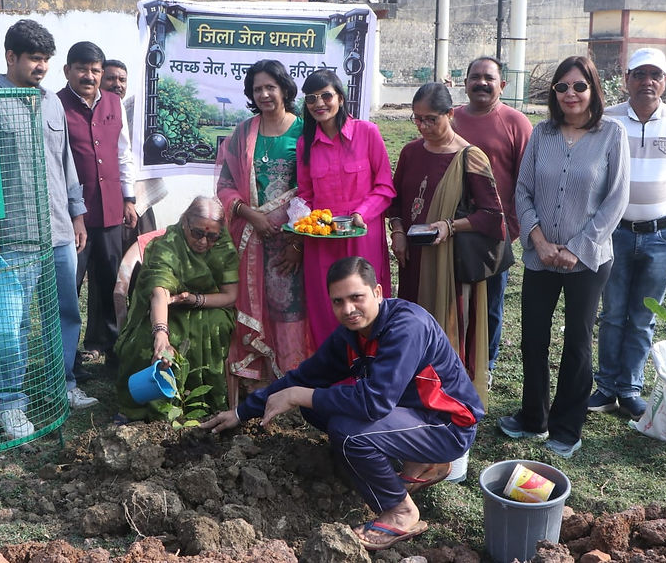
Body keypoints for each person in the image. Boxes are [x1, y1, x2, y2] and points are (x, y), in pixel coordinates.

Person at [200, 256, 484, 552]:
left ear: (377, 292)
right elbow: (304, 377)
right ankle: (419, 463)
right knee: (317, 407)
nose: (348, 309)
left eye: (356, 297)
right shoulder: (351, 335)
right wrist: (240, 412)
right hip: (411, 415)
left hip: (447, 425)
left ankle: (400, 511)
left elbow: (374, 403)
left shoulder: (407, 327)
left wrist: (299, 395)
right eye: (338, 301)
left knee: (348, 433)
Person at [499, 55, 630, 458]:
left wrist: (577, 248)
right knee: (533, 338)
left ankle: (566, 427)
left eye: (579, 86)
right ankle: (533, 417)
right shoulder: (542, 133)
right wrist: (538, 241)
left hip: (588, 260)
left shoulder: (612, 135)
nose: (570, 94)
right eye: (562, 87)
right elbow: (523, 191)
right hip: (540, 256)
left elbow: (616, 200)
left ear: (593, 89)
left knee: (577, 341)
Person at [0, 19, 98, 439]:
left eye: (46, 59)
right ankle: (10, 403)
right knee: (13, 323)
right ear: (10, 57)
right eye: (34, 58)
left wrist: (78, 216)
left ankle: (61, 384)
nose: (42, 67)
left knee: (65, 313)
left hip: (59, 232)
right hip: (13, 236)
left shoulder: (51, 103)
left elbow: (66, 163)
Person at [589, 48, 666, 420]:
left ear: (665, 81)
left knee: (643, 316)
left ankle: (630, 389)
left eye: (655, 75)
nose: (647, 82)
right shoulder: (607, 119)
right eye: (639, 74)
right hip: (614, 233)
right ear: (627, 79)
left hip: (661, 235)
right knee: (612, 313)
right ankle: (606, 387)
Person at [388, 82, 505, 404]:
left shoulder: (470, 157)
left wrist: (450, 226)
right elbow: (395, 202)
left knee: (447, 332)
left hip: (450, 264)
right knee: (413, 325)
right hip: (413, 259)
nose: (423, 126)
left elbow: (492, 216)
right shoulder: (411, 152)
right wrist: (398, 232)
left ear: (450, 114)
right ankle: (413, 395)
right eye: (417, 119)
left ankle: (450, 400)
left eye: (431, 119)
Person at [216, 60, 313, 406]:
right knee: (254, 307)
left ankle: (290, 382)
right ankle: (256, 384)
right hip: (252, 240)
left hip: (292, 242)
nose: (264, 94)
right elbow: (225, 185)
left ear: (285, 89)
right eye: (257, 89)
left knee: (289, 309)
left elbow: (314, 189)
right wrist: (251, 215)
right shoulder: (244, 133)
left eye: (270, 87)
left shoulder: (304, 131)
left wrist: (297, 243)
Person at [113, 196, 239, 421]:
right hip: (167, 306)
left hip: (211, 304)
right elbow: (159, 291)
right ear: (185, 222)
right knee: (146, 339)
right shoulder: (167, 244)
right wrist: (160, 333)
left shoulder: (223, 247)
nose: (203, 242)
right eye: (197, 233)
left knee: (216, 327)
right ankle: (146, 407)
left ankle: (205, 404)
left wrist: (195, 299)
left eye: (211, 236)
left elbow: (230, 296)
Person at [296, 69, 395, 346]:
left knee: (364, 302)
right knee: (326, 304)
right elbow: (306, 194)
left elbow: (385, 187)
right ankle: (333, 366)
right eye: (311, 98)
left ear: (340, 98)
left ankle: (373, 362)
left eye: (326, 96)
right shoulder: (305, 144)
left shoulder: (367, 132)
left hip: (362, 235)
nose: (319, 103)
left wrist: (362, 213)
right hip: (322, 240)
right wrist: (301, 220)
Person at [57, 42, 138, 373]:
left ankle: (112, 350)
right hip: (69, 216)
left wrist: (129, 198)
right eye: (82, 69)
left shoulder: (114, 103)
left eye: (95, 70)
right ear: (68, 71)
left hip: (110, 211)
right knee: (69, 286)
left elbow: (123, 153)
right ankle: (67, 360)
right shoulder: (55, 105)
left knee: (110, 283)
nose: (89, 76)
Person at [452, 57, 533, 374]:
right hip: (453, 227)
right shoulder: (451, 119)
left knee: (490, 303)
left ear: (503, 85)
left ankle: (484, 364)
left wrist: (510, 226)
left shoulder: (516, 123)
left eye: (489, 78)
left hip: (496, 232)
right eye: (475, 77)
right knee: (454, 299)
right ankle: (452, 359)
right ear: (465, 83)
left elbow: (527, 179)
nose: (481, 83)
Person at [101, 59, 168, 238]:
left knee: (142, 250)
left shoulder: (135, 111)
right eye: (110, 79)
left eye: (122, 80)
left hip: (138, 200)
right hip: (105, 204)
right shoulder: (93, 115)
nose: (117, 84)